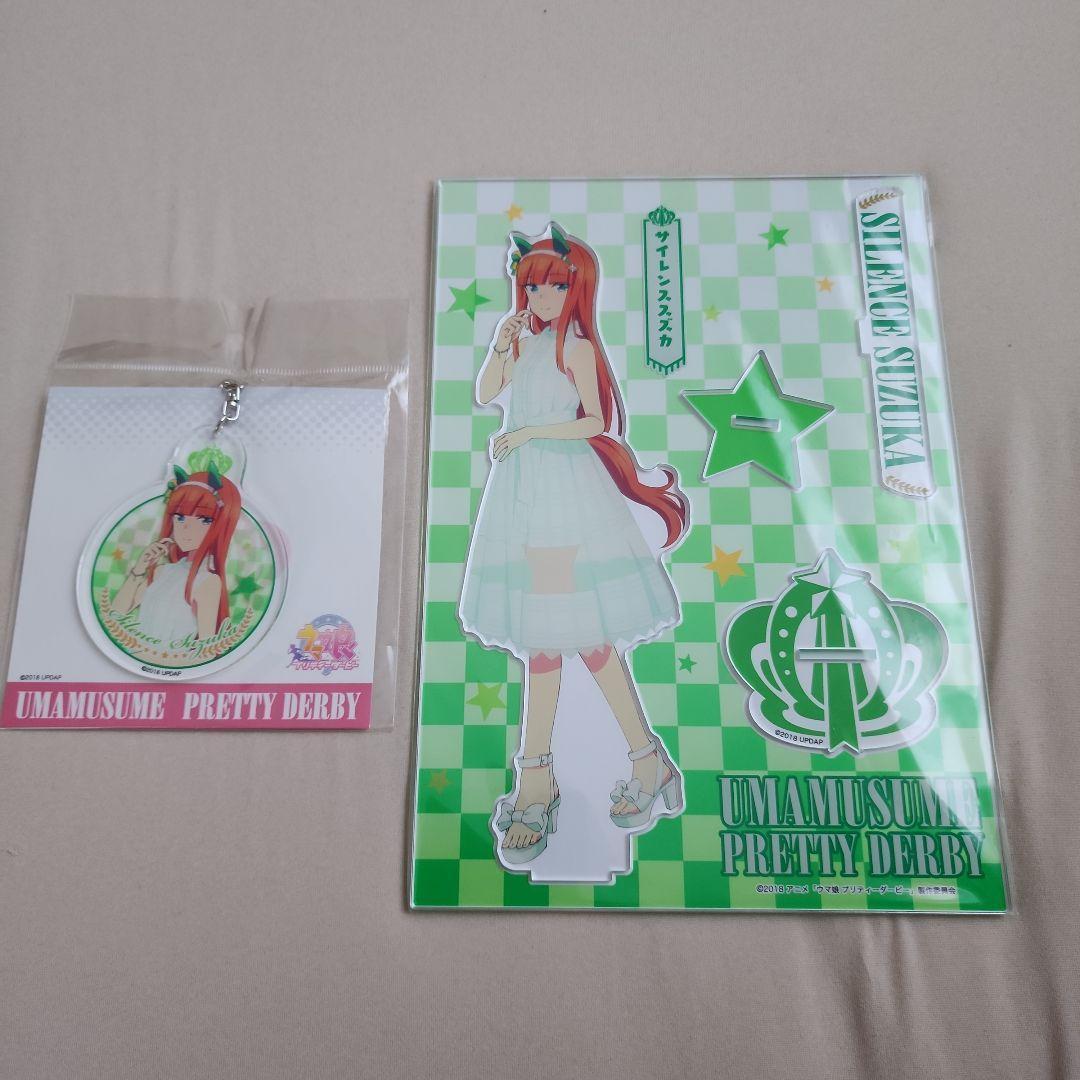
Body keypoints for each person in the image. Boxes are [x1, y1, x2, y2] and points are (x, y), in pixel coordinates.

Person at [460, 222, 688, 865]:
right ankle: (638, 762)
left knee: (563, 638)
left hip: (561, 491)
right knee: (564, 639)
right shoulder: (527, 341)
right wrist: (501, 344)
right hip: (524, 492)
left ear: (576, 288)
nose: (541, 297)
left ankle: (552, 776)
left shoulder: (577, 348)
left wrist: (530, 435)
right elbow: (486, 393)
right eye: (532, 286)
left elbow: (594, 421)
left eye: (554, 287)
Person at [113, 465, 240, 645]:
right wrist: (140, 568)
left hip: (169, 657)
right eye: (180, 517)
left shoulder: (208, 582)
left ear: (220, 524)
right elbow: (116, 614)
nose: (186, 528)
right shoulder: (162, 571)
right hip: (137, 654)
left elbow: (205, 648)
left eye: (204, 520)